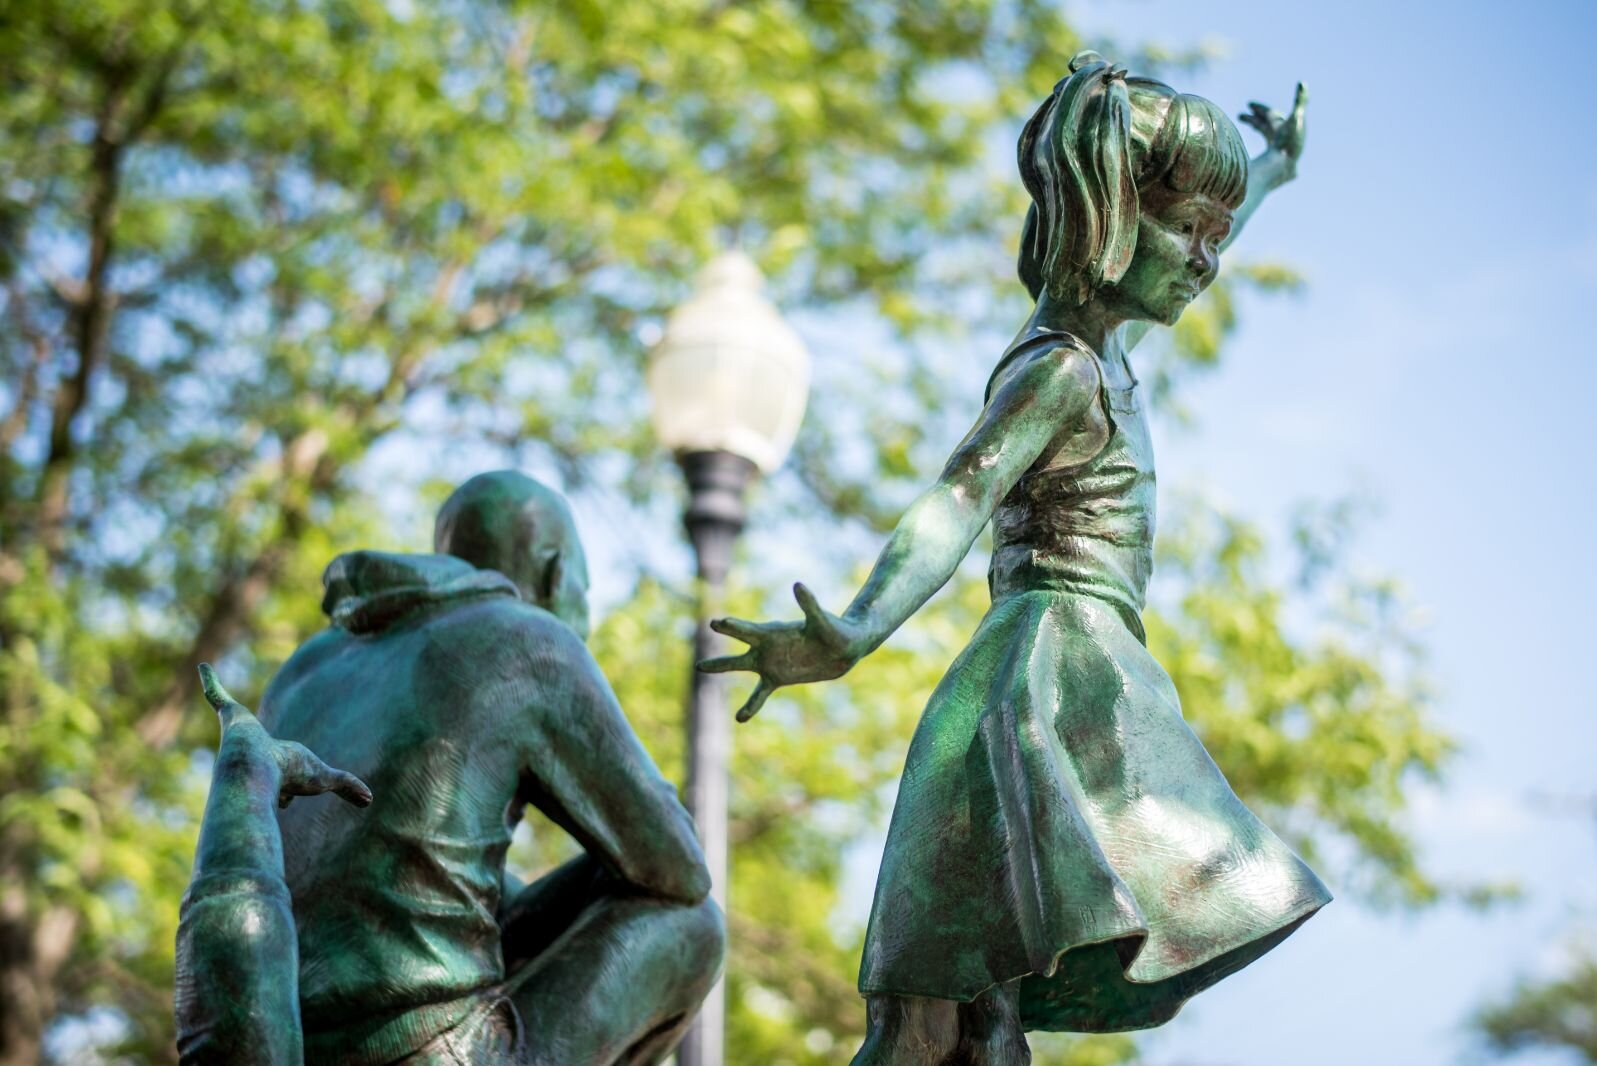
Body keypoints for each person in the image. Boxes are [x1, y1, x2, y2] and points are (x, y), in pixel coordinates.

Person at [701, 53, 1331, 1064]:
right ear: (1113, 221)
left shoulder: (1108, 354)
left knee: (980, 995)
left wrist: (1272, 170)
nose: (1207, 258)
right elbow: (958, 498)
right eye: (1187, 230)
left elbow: (1217, 221)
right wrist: (857, 628)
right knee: (941, 995)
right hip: (1043, 678)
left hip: (1090, 672)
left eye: (1218, 234)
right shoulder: (1059, 369)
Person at [222, 470, 722, 1065]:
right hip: (433, 1050)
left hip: (292, 1040)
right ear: (555, 573)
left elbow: (408, 881)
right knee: (692, 925)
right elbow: (678, 871)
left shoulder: (304, 669)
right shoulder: (529, 638)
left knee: (605, 877)